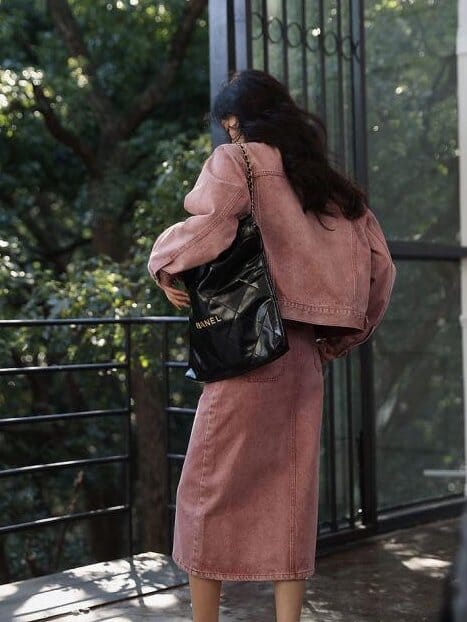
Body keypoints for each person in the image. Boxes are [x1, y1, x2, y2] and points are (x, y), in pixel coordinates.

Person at [147, 69, 396, 622]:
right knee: (291, 493)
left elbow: (209, 227)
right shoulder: (326, 184)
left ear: (234, 121)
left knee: (206, 490)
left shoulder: (239, 161)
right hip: (303, 359)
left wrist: (163, 264)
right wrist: (332, 341)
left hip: (248, 354)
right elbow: (381, 270)